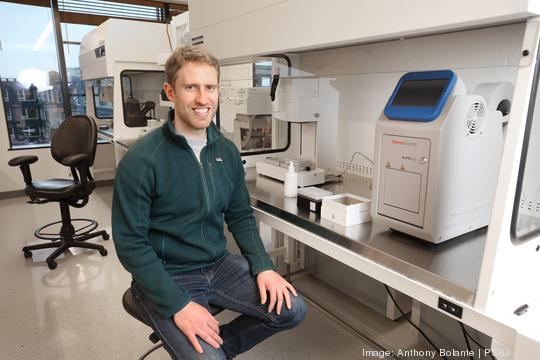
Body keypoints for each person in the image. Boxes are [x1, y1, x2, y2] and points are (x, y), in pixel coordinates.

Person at [112, 46, 307, 360]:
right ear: (170, 92)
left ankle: (215, 350)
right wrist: (177, 304)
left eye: (210, 87)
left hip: (219, 265)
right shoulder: (142, 160)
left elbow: (240, 215)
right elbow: (130, 244)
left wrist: (264, 266)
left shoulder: (226, 151)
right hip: (169, 273)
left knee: (292, 309)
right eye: (191, 87)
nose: (203, 99)